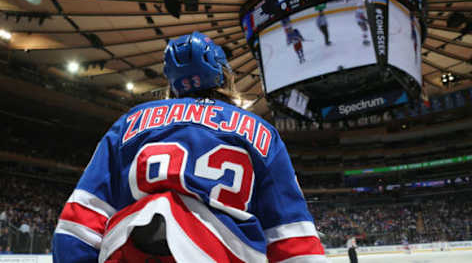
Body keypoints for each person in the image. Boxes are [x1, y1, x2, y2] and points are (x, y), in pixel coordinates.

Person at [52, 32, 327, 262]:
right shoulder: (260, 131)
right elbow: (292, 236)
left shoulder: (130, 123)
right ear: (224, 77)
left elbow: (81, 220)